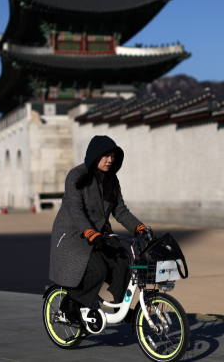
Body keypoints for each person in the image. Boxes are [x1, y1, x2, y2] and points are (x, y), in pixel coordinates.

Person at [49, 135, 152, 324]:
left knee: (124, 259)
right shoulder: (75, 175)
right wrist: (89, 232)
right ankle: (70, 303)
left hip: (99, 235)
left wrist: (139, 227)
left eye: (113, 156)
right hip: (73, 235)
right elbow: (75, 208)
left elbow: (120, 210)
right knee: (98, 269)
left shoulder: (111, 179)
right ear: (94, 155)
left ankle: (121, 306)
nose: (110, 160)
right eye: (106, 155)